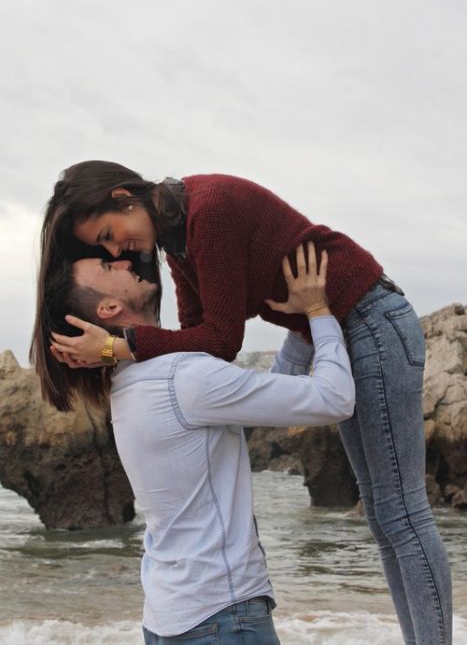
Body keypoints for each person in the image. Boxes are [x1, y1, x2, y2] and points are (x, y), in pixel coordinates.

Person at [31, 160, 452, 644]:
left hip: (370, 318)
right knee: (382, 514)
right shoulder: (178, 244)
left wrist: (113, 346)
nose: (114, 247)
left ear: (126, 198)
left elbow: (219, 337)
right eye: (102, 248)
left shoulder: (207, 211)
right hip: (325, 331)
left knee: (401, 513)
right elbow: (206, 345)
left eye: (109, 233)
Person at [43, 242, 355, 644]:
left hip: (168, 619)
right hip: (220, 617)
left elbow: (256, 400)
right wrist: (318, 312)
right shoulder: (181, 376)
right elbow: (335, 397)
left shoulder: (132, 382)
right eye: (108, 266)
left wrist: (300, 333)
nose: (123, 262)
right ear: (107, 309)